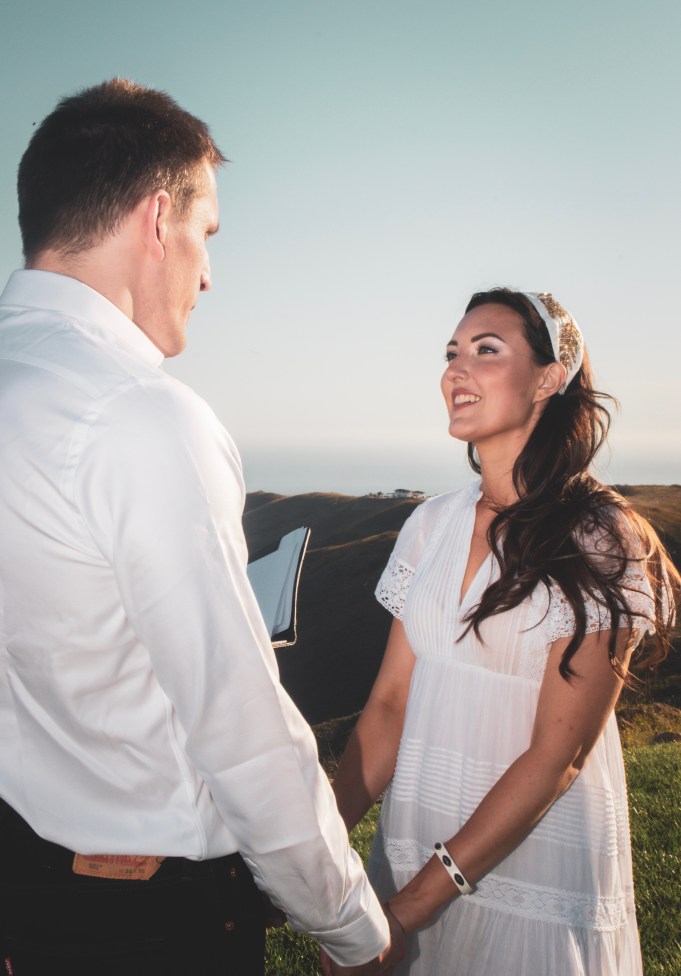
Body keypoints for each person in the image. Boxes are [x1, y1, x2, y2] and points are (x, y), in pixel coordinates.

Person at [0, 78, 405, 975]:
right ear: (156, 220)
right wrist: (350, 926)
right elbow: (240, 727)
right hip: (151, 923)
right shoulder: (139, 416)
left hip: (27, 894)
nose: (209, 272)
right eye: (205, 233)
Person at [330, 288, 679, 975]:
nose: (456, 370)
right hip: (409, 848)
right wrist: (315, 847)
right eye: (451, 354)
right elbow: (387, 710)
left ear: (550, 377)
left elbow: (556, 756)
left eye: (486, 351)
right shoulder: (428, 526)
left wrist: (410, 909)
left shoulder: (599, 540)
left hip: (529, 877)